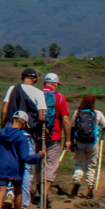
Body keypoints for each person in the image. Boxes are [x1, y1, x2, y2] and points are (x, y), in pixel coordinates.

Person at [0, 67, 47, 209]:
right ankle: (23, 205)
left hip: (10, 131)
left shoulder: (12, 89)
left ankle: (9, 193)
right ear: (34, 79)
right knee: (26, 167)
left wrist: (3, 127)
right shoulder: (38, 93)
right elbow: (41, 117)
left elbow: (4, 110)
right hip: (27, 133)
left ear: (22, 77)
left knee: (10, 162)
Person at [0, 110, 43, 209]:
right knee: (18, 191)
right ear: (23, 123)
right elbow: (25, 158)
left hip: (1, 167)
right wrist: (39, 156)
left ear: (13, 120)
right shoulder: (21, 138)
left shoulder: (1, 133)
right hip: (15, 168)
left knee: (1, 190)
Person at [69, 93, 105, 199]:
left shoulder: (77, 113)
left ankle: (77, 179)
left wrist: (71, 142)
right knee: (91, 165)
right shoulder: (97, 113)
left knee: (79, 163)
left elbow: (72, 128)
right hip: (93, 143)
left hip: (80, 142)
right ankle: (90, 187)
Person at [39, 72, 72, 200]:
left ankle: (38, 190)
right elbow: (66, 121)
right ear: (55, 84)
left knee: (39, 163)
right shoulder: (59, 97)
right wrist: (68, 139)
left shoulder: (37, 94)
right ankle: (44, 193)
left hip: (38, 136)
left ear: (44, 83)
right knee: (51, 165)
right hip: (54, 136)